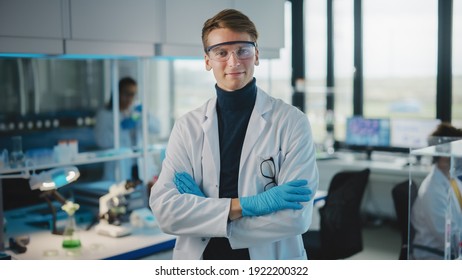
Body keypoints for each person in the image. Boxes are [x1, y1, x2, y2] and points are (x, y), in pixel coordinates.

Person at [149, 9, 319, 260]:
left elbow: (296, 218)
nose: (234, 62)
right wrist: (245, 206)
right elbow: (166, 211)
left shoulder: (291, 122)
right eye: (221, 52)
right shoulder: (188, 127)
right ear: (207, 60)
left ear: (257, 54)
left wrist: (208, 215)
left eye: (243, 50)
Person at [94, 76, 160, 184]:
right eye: (127, 94)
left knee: (140, 196)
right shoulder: (105, 114)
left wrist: (145, 116)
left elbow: (157, 128)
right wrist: (121, 129)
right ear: (117, 93)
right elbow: (101, 140)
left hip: (139, 164)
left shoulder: (135, 112)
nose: (130, 98)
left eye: (133, 94)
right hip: (118, 167)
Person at [411, 123, 462, 259]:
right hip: (434, 254)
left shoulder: (451, 179)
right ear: (445, 154)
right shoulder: (432, 190)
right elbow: (448, 237)